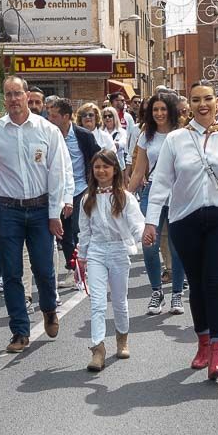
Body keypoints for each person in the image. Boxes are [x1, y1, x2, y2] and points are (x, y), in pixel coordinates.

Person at [145, 81, 218, 380]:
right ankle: (203, 343)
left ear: (217, 103)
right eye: (196, 100)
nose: (203, 104)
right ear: (189, 106)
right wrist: (151, 222)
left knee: (216, 283)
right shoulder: (176, 140)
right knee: (196, 284)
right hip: (185, 221)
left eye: (208, 98)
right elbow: (161, 184)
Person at [0, 76, 70, 353]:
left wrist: (55, 213)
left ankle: (49, 308)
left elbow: (58, 172)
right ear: (3, 99)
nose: (14, 99)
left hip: (41, 210)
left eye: (18, 93)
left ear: (27, 96)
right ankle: (19, 330)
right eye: (8, 94)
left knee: (43, 267)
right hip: (7, 210)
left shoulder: (46, 130)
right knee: (12, 272)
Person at [78, 150, 145, 371]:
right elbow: (85, 231)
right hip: (97, 251)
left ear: (114, 169)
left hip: (118, 250)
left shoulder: (124, 197)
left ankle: (122, 338)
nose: (101, 171)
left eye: (105, 166)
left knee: (119, 301)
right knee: (97, 303)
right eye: (97, 167)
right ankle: (97, 349)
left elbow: (137, 226)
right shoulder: (88, 199)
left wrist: (144, 237)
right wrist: (83, 256)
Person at [127, 91, 187, 316]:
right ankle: (156, 292)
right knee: (149, 245)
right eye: (155, 110)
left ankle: (177, 293)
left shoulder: (183, 134)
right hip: (152, 193)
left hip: (179, 194)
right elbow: (138, 171)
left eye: (163, 109)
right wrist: (122, 195)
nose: (159, 113)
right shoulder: (146, 135)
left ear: (171, 110)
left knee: (176, 246)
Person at [46, 98, 101, 290]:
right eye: (49, 115)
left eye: (54, 116)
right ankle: (73, 268)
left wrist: (97, 184)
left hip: (81, 188)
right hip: (57, 191)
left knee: (79, 228)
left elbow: (97, 157)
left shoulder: (83, 136)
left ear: (66, 117)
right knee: (64, 232)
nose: (49, 119)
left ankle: (86, 266)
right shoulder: (47, 135)